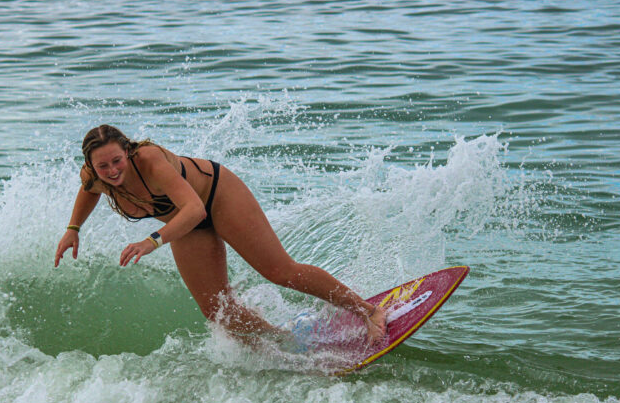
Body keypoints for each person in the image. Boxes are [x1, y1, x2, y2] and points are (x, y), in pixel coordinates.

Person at [54, 125, 386, 342]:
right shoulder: (94, 175)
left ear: (127, 151)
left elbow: (196, 209)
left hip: (215, 195)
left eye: (117, 161)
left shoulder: (150, 161)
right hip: (182, 220)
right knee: (216, 310)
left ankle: (369, 312)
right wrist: (73, 229)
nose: (112, 171)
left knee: (279, 271)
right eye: (103, 167)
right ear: (92, 167)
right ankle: (283, 341)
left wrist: (152, 241)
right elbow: (89, 190)